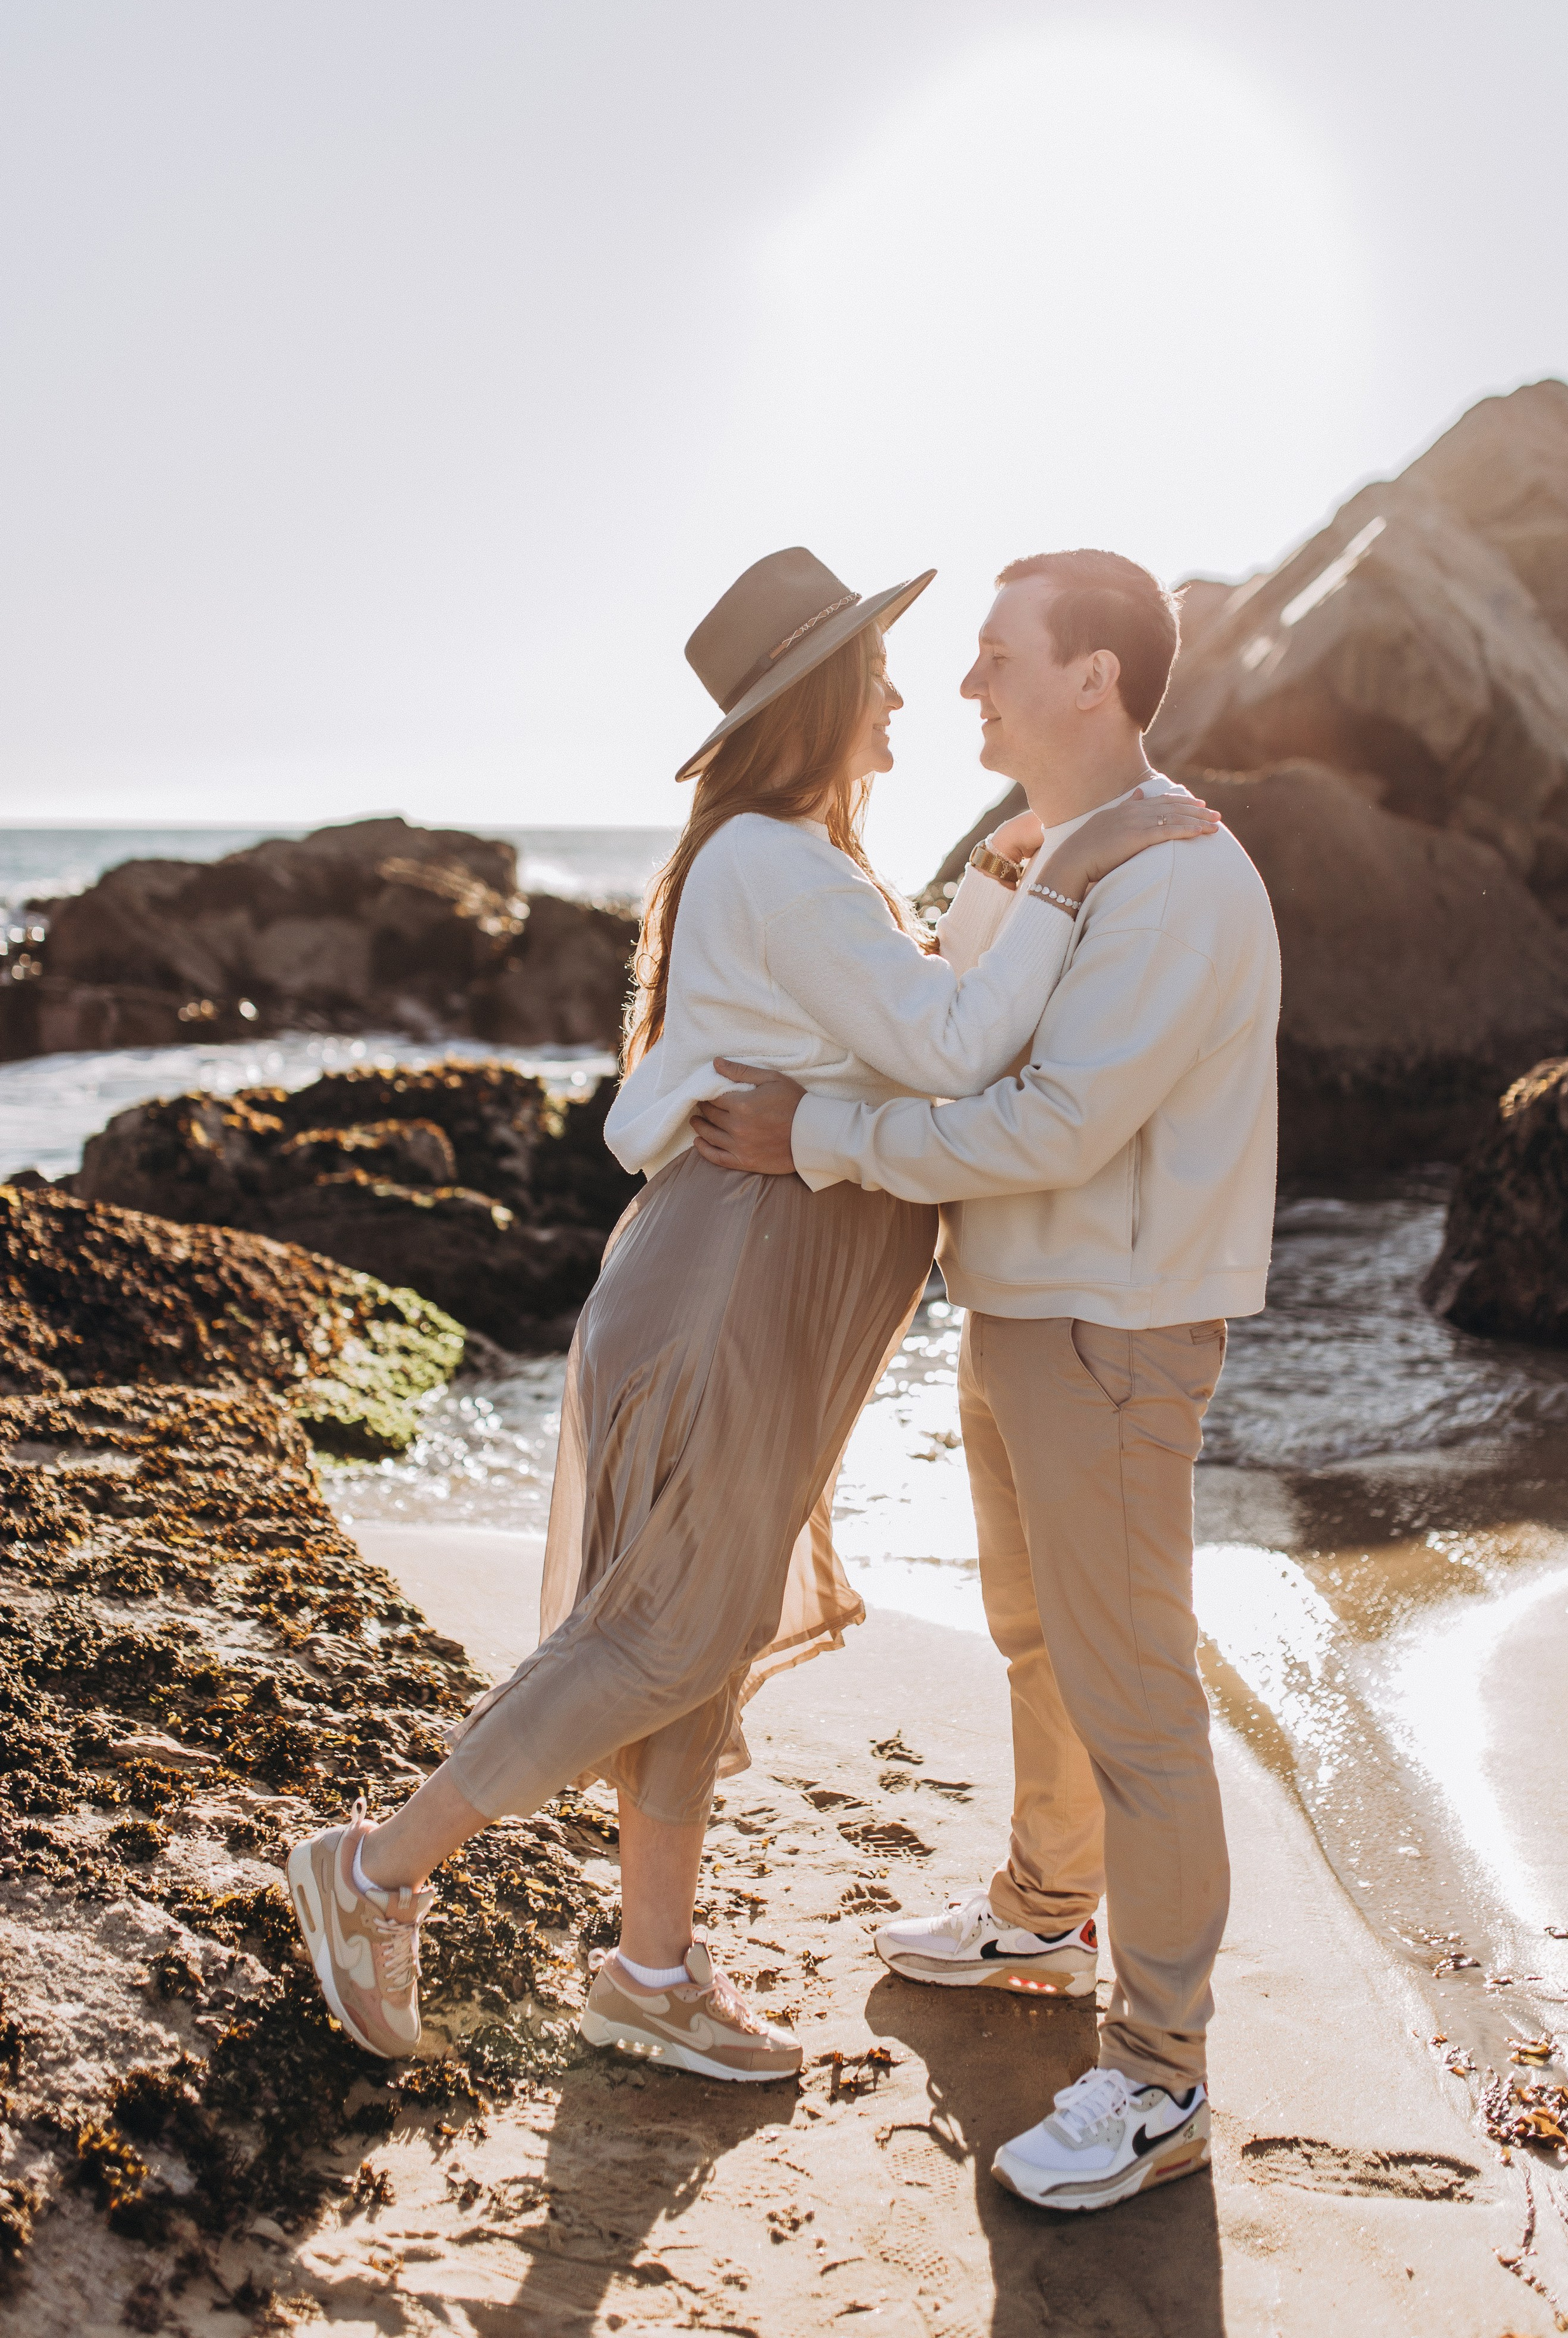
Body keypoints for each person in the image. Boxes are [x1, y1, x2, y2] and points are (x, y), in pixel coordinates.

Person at [285, 545, 1217, 2081]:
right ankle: (377, 1869)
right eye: (879, 666)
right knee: (662, 1627)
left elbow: (863, 1028)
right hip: (735, 1279)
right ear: (822, 696)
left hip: (761, 1287)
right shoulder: (777, 864)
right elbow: (950, 1046)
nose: (910, 689)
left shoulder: (798, 861)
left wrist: (993, 880)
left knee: (689, 1635)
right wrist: (1070, 865)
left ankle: (650, 1972)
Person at [691, 547, 1280, 2207]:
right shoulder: (1045, 853)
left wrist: (820, 1143)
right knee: (1037, 1643)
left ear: (1094, 678)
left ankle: (1160, 2081)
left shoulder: (1174, 877)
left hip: (1114, 1325)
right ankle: (1044, 1903)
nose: (965, 685)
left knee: (1140, 1700)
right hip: (1019, 1308)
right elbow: (953, 1028)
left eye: (997, 655)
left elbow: (1049, 1122)